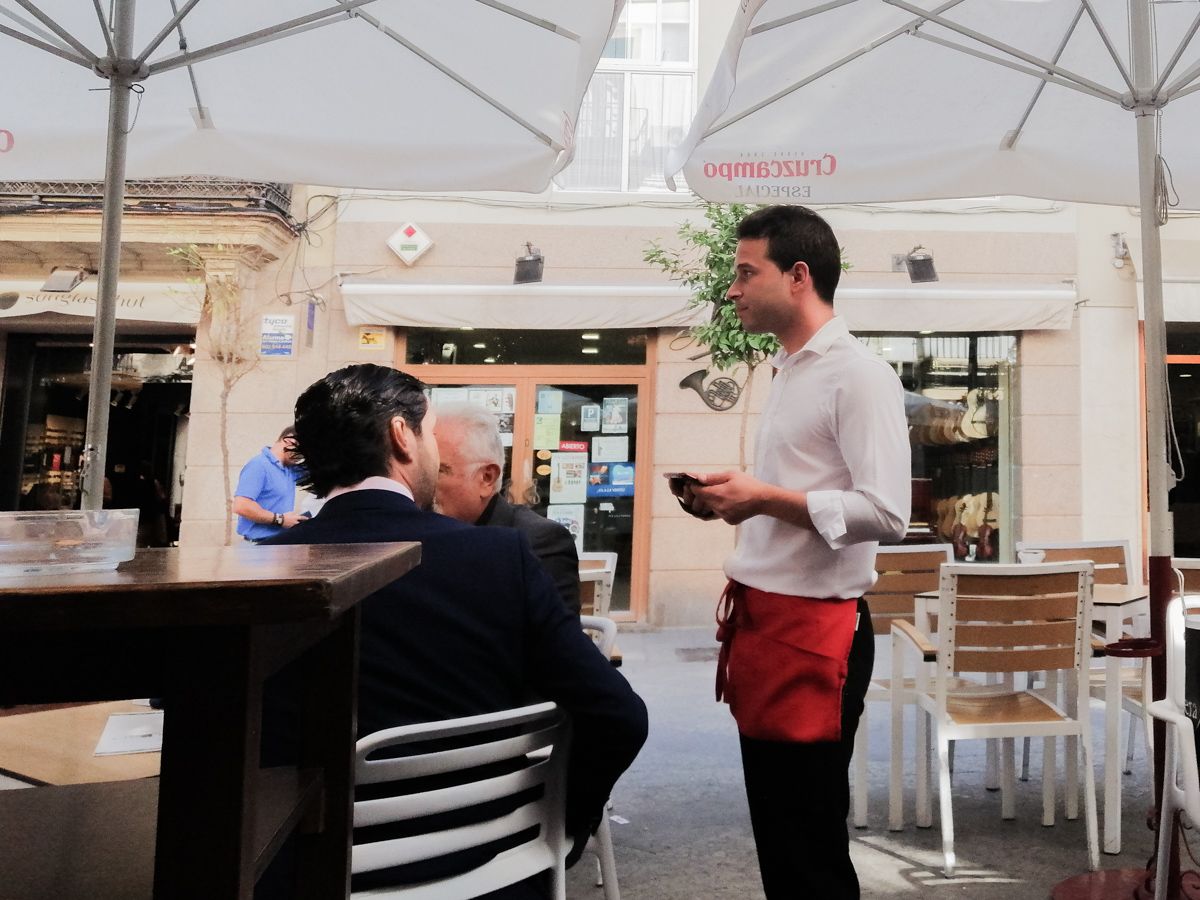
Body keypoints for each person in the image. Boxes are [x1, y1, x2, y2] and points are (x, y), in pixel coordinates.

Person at [262, 364, 647, 897]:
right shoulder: (499, 558)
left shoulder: (258, 571)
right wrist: (556, 825)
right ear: (402, 435)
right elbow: (619, 715)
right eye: (428, 433)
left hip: (303, 872)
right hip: (490, 870)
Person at [676, 205, 910, 900]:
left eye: (747, 272)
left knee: (806, 846)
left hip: (815, 633)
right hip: (766, 623)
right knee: (782, 837)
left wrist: (762, 500)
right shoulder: (787, 370)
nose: (732, 289)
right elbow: (799, 500)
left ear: (799, 276)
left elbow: (889, 513)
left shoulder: (858, 374)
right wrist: (734, 501)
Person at [434, 402, 581, 614]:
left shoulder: (539, 543)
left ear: (487, 478)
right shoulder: (427, 533)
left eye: (439, 470)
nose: (424, 482)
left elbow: (555, 644)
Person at [232, 425, 305, 543]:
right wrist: (280, 520)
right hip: (257, 546)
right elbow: (241, 506)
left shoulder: (290, 469)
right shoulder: (259, 465)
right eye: (300, 452)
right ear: (289, 441)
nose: (300, 458)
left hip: (278, 544)